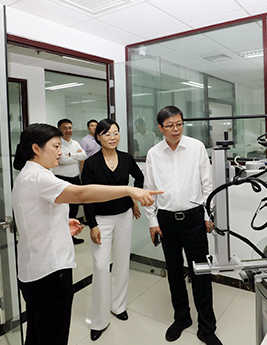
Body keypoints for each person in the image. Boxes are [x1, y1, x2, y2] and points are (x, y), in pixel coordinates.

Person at [12, 123, 161, 345]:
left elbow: (33, 215)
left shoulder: (29, 174)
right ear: (36, 148)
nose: (61, 152)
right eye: (56, 146)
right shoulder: (39, 177)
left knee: (37, 333)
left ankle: (118, 305)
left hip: (35, 269)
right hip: (50, 271)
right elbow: (81, 194)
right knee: (53, 335)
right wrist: (129, 190)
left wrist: (62, 223)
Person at [144, 106, 222, 345]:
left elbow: (207, 184)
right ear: (160, 128)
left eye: (179, 124)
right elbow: (149, 189)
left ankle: (206, 327)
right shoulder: (154, 154)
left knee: (201, 272)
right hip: (166, 221)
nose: (175, 129)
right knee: (174, 272)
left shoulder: (196, 147)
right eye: (170, 125)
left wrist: (208, 215)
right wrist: (152, 221)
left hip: (194, 219)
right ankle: (182, 317)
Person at [81, 119, 144, 341]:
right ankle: (99, 320)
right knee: (100, 267)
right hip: (101, 220)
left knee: (121, 261)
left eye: (116, 133)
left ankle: (119, 306)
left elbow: (139, 177)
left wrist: (134, 197)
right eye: (107, 133)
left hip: (124, 217)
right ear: (98, 136)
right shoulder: (91, 163)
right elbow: (87, 195)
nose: (112, 137)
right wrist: (92, 224)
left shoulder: (126, 158)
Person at [52, 118, 87, 244]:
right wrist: (75, 156)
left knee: (73, 208)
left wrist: (70, 155)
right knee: (62, 209)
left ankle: (70, 236)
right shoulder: (57, 144)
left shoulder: (75, 143)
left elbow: (84, 156)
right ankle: (61, 238)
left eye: (70, 128)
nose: (68, 130)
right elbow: (62, 160)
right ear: (59, 130)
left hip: (75, 179)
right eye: (65, 128)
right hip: (61, 179)